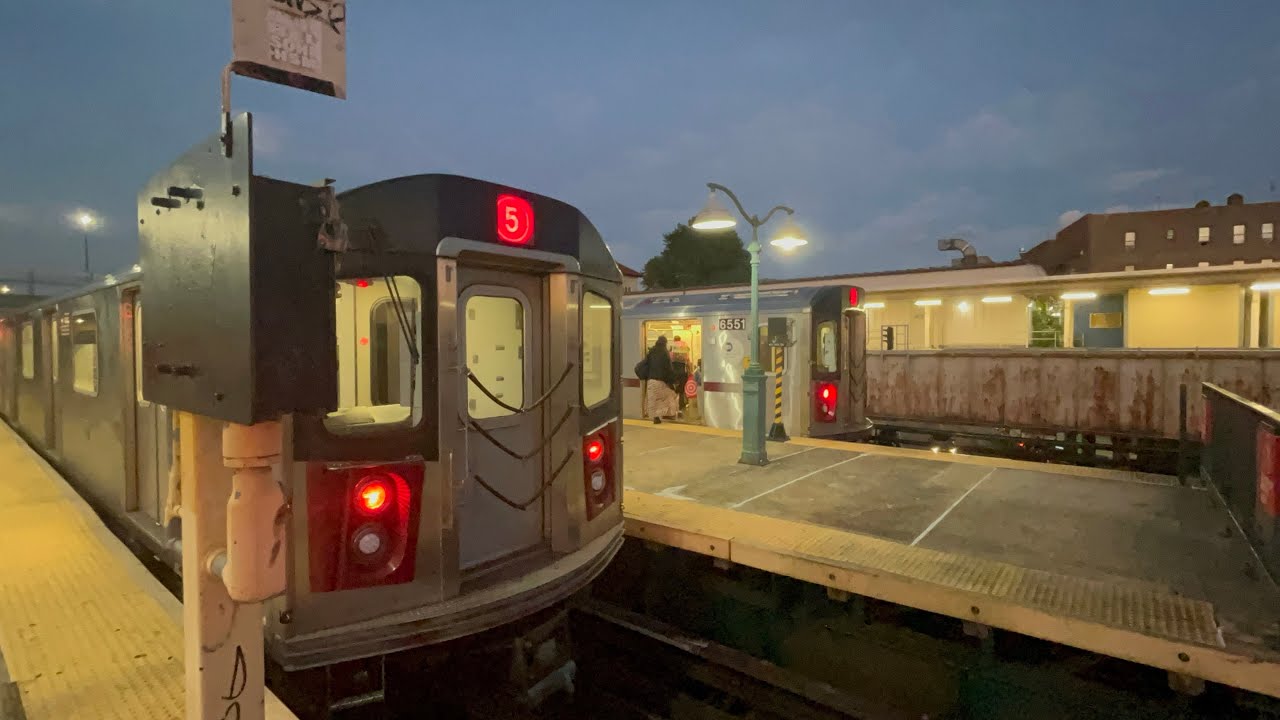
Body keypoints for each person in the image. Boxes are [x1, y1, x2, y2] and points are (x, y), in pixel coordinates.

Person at [642, 336, 680, 424]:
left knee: (653, 400)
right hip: (661, 381)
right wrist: (673, 380)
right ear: (665, 343)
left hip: (651, 380)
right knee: (669, 397)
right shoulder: (664, 352)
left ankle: (656, 417)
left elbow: (646, 364)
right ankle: (669, 414)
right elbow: (668, 368)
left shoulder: (651, 351)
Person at [670, 335, 690, 416]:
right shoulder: (684, 346)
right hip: (682, 370)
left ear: (674, 339)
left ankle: (674, 407)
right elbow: (688, 360)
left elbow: (669, 358)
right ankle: (681, 406)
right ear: (680, 339)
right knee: (681, 390)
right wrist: (689, 370)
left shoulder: (672, 345)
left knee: (673, 390)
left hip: (673, 369)